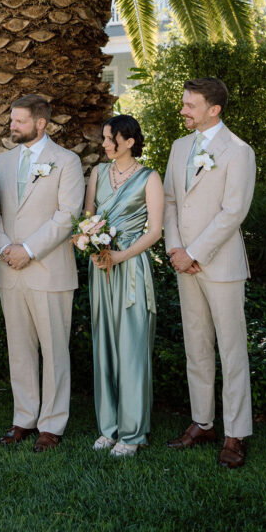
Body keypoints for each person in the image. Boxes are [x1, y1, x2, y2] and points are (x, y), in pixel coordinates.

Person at [164, 78, 256, 469]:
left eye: (190, 105)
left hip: (220, 265)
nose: (183, 110)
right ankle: (203, 422)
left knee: (231, 351)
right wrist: (174, 249)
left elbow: (234, 211)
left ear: (213, 109)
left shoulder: (238, 151)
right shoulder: (179, 147)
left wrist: (196, 252)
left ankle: (236, 433)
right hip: (184, 263)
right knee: (196, 347)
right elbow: (169, 200)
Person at [0, 94, 84, 453]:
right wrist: (3, 248)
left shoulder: (66, 161)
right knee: (19, 349)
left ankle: (52, 424)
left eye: (18, 121)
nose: (11, 126)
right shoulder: (2, 161)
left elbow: (67, 214)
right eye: (11, 119)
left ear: (40, 123)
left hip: (48, 270)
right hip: (9, 270)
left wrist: (28, 250)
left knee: (54, 349)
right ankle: (24, 418)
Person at [85, 115, 163, 457]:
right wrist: (87, 244)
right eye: (103, 138)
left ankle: (132, 433)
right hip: (100, 266)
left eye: (110, 139)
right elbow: (86, 218)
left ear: (129, 141)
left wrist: (121, 256)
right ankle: (108, 428)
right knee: (104, 342)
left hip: (130, 267)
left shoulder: (150, 178)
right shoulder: (97, 173)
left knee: (131, 346)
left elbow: (155, 231)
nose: (104, 144)